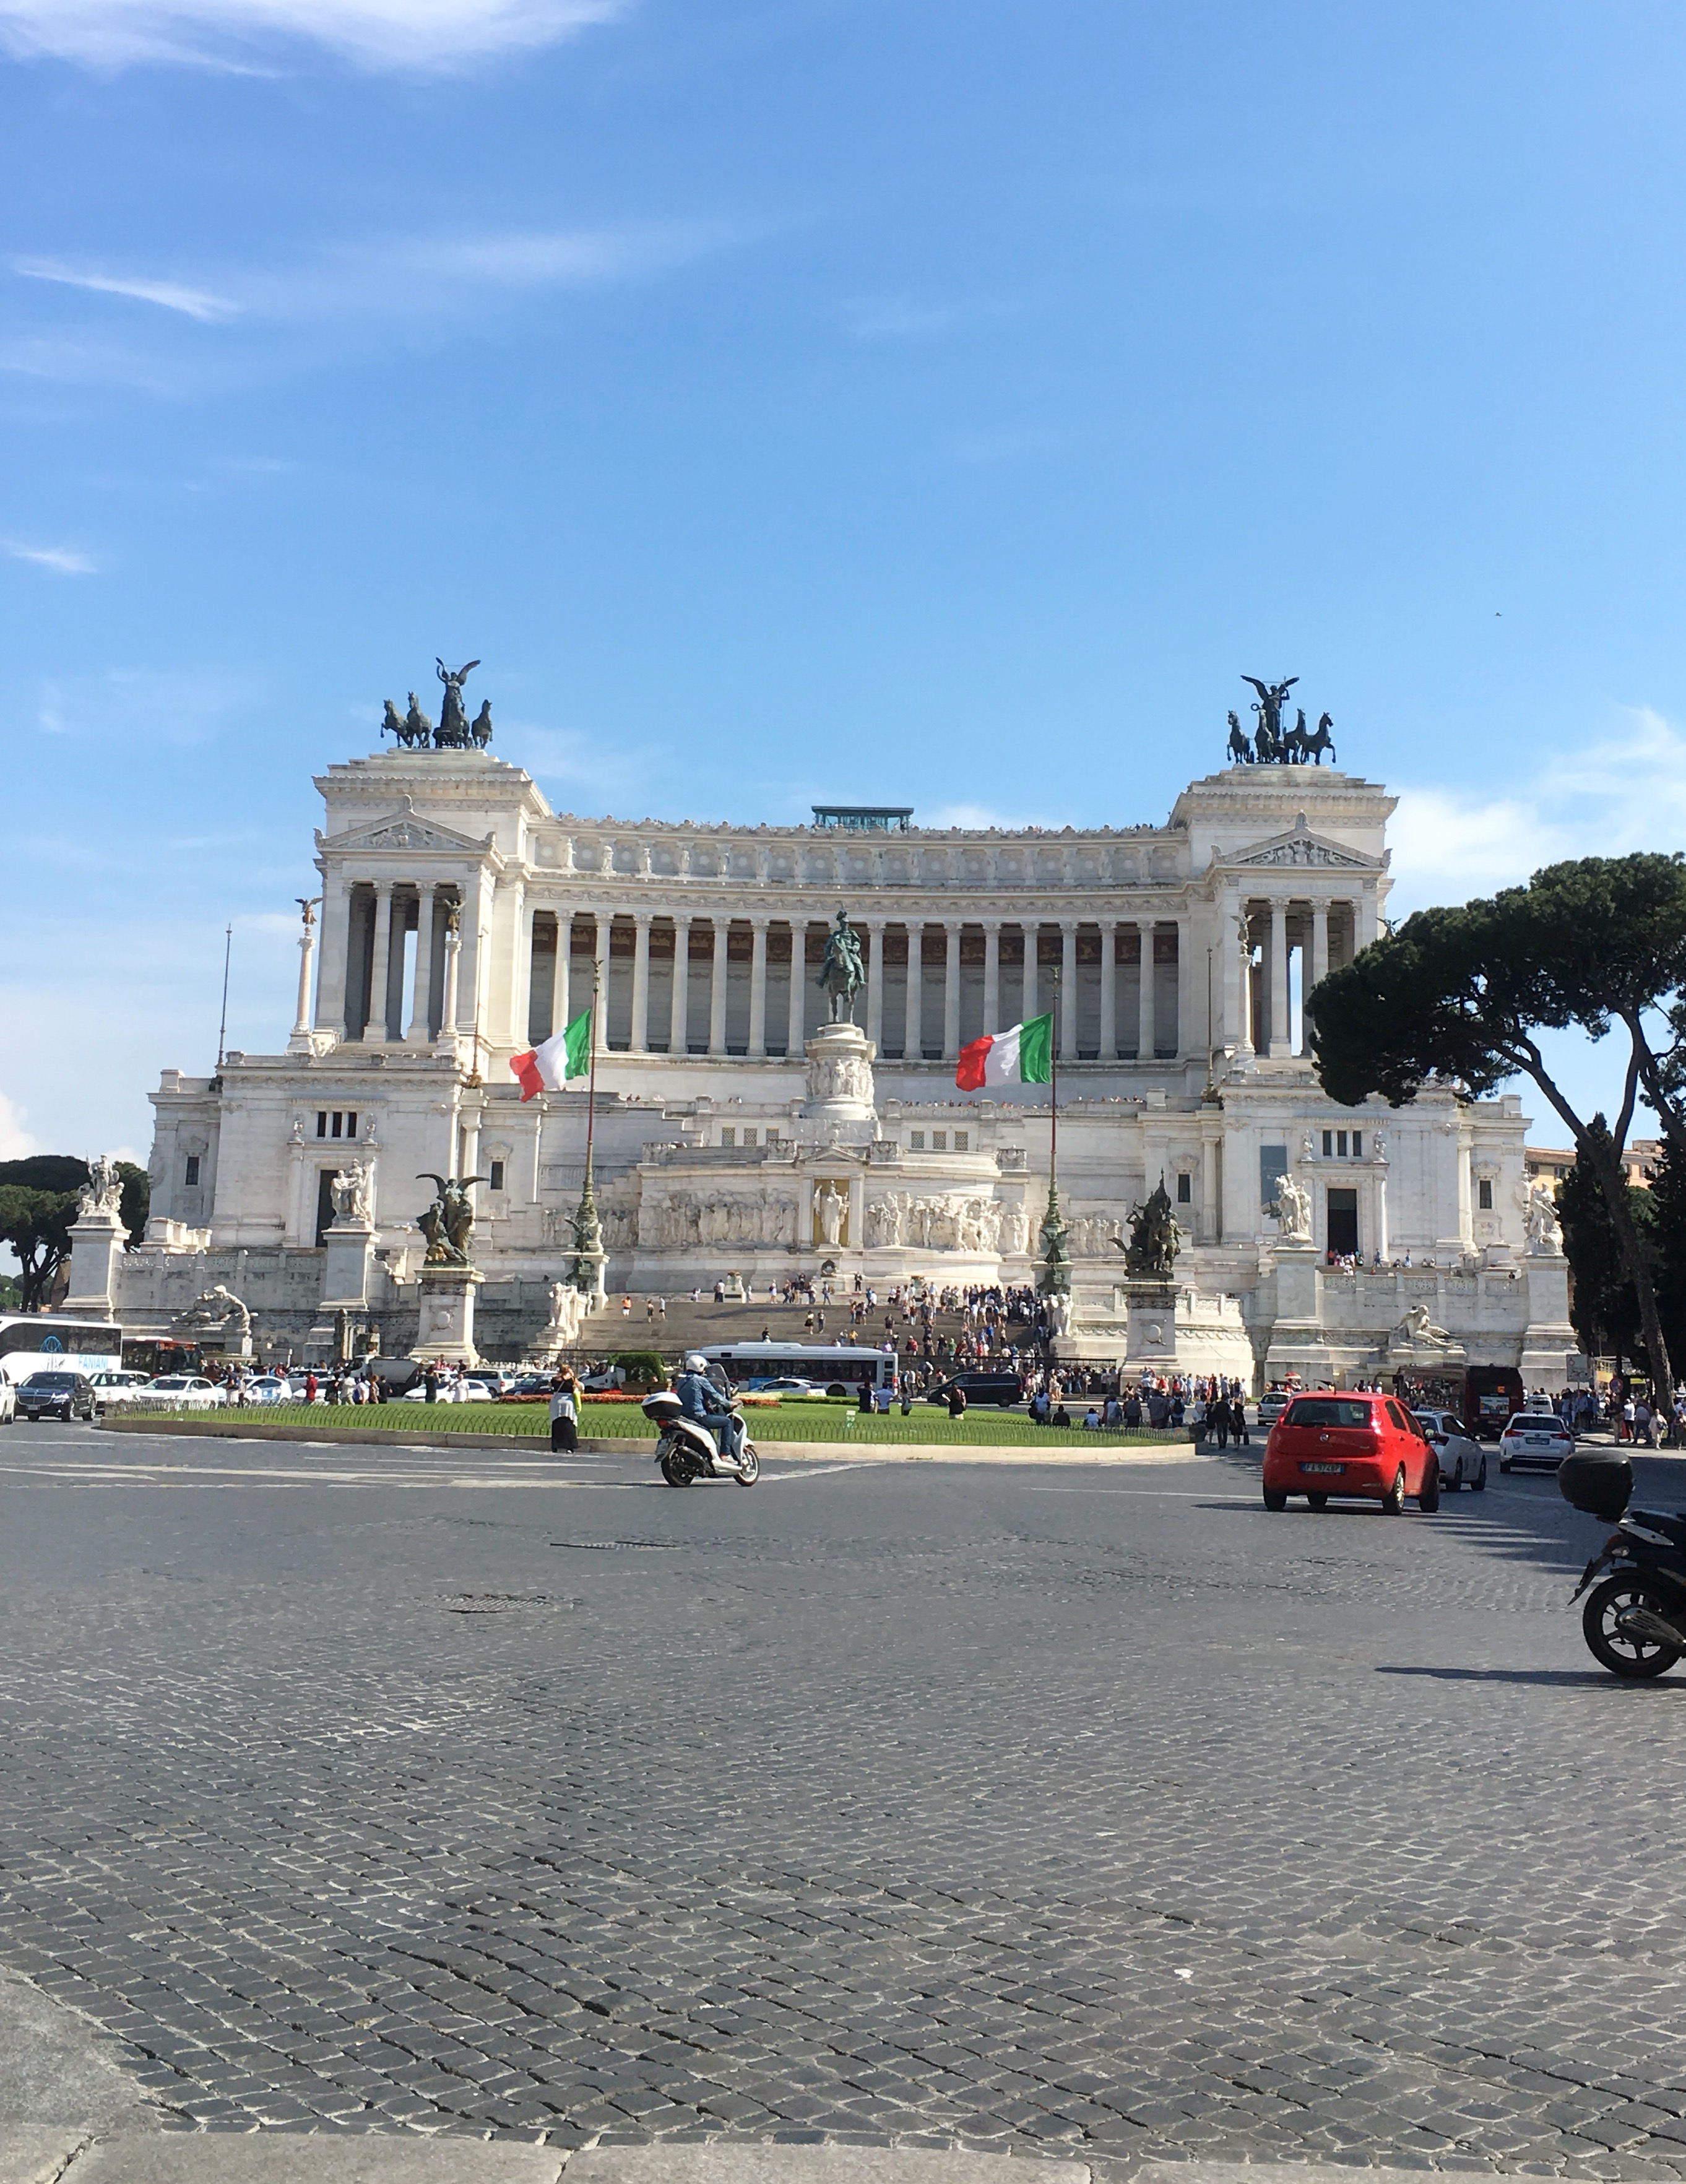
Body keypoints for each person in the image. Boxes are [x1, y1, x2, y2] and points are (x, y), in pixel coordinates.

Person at [676, 1351, 742, 1465]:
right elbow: (715, 1396)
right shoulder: (701, 1380)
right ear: (701, 1367)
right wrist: (729, 1404)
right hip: (698, 1417)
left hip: (684, 1417)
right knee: (727, 1422)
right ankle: (725, 1454)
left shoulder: (681, 1382)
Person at [549, 1370, 579, 1454]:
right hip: (568, 1401)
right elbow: (580, 1387)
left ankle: (556, 1445)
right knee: (569, 1423)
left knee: (556, 1422)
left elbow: (550, 1386)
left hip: (557, 1401)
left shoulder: (555, 1379)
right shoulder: (572, 1380)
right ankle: (570, 1446)